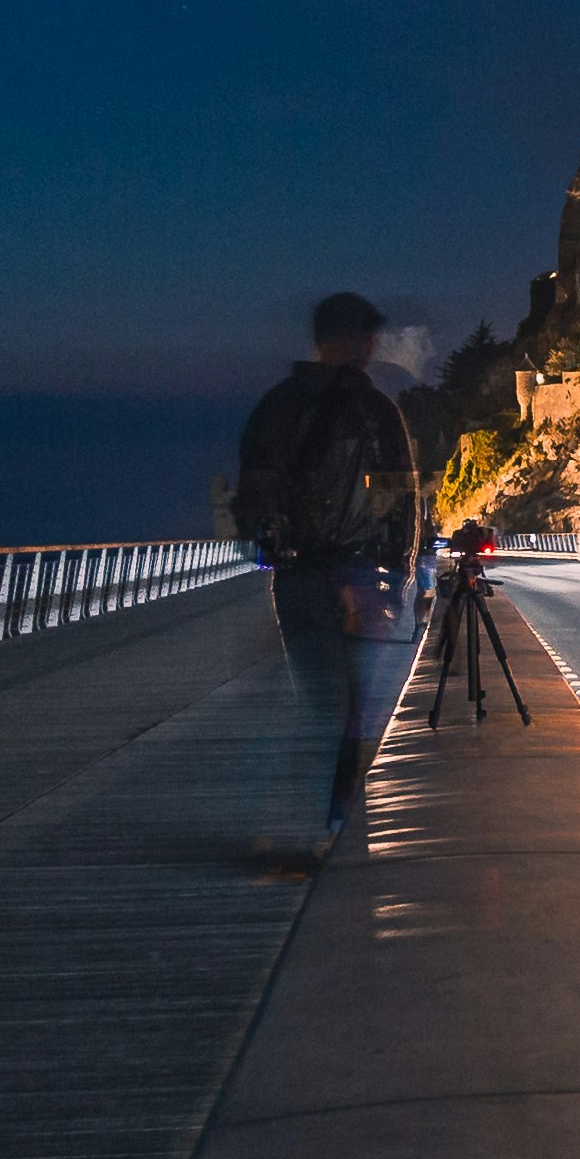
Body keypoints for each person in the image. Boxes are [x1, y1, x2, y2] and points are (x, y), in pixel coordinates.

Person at [237, 290, 428, 835]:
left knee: (318, 697)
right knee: (358, 708)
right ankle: (341, 818)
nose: (369, 344)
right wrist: (399, 573)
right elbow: (399, 500)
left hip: (299, 577)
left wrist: (275, 551)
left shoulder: (277, 406)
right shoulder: (377, 412)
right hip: (363, 578)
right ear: (351, 341)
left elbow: (252, 499)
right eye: (363, 334)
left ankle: (313, 818)